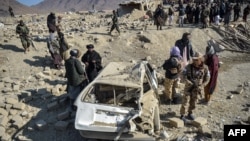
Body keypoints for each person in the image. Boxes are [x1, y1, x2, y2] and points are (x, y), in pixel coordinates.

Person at [180, 52, 210, 121]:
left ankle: (190, 113)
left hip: (197, 88)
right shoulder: (188, 67)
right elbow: (182, 75)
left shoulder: (205, 68)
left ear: (201, 59)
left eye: (196, 60)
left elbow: (207, 78)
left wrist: (202, 86)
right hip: (188, 87)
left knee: (194, 101)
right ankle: (182, 115)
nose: (194, 61)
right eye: (193, 59)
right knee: (185, 101)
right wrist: (188, 82)